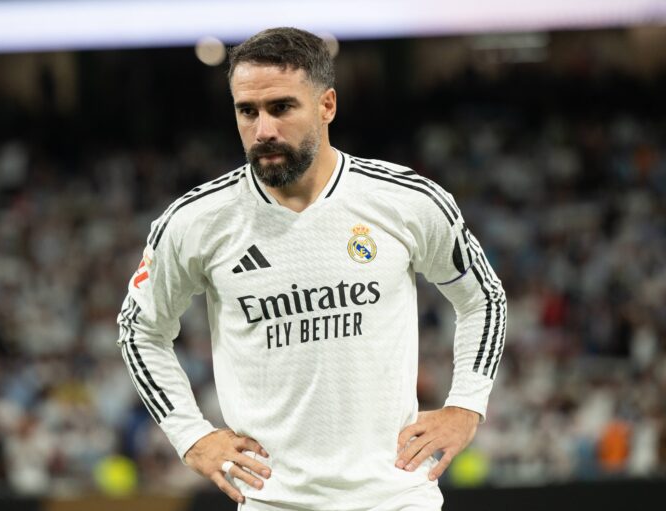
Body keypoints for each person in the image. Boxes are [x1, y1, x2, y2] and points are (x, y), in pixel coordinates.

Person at [117, 27, 506, 511]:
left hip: (397, 495)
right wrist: (192, 436)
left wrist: (466, 405)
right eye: (247, 112)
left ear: (327, 106)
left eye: (281, 108)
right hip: (274, 501)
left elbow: (482, 297)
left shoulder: (406, 200)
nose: (263, 131)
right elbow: (139, 331)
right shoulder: (195, 222)